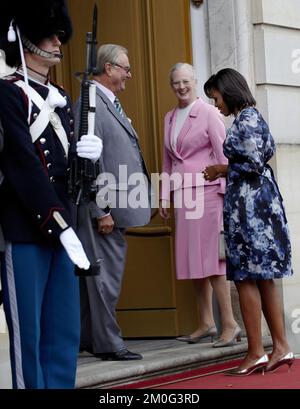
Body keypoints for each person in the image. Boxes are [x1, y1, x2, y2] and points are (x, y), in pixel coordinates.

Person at [0, 1, 102, 388]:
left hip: (65, 230)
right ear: (26, 40)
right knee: (29, 336)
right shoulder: (8, 94)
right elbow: (22, 164)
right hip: (29, 228)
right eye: (50, 34)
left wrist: (88, 154)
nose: (59, 41)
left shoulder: (59, 94)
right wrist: (58, 223)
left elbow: (66, 167)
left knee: (62, 335)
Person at [203, 68, 294, 375]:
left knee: (245, 277)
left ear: (228, 92)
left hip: (251, 208)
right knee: (263, 276)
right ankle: (280, 346)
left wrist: (220, 169)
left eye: (216, 98)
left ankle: (256, 351)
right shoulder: (250, 117)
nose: (216, 105)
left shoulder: (247, 119)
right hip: (257, 205)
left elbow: (252, 163)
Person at [75, 44, 151, 361]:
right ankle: (109, 343)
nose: (129, 75)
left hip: (117, 205)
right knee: (105, 279)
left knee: (102, 277)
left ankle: (91, 338)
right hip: (103, 210)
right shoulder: (91, 102)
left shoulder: (106, 101)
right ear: (109, 69)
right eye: (126, 68)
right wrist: (102, 209)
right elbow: (90, 161)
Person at [159, 63, 240, 347]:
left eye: (186, 82)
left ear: (194, 82)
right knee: (193, 259)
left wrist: (225, 194)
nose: (181, 87)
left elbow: (223, 156)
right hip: (184, 194)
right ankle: (206, 323)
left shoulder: (209, 113)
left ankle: (229, 324)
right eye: (175, 83)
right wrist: (163, 195)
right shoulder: (169, 117)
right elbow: (168, 162)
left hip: (208, 193)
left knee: (213, 261)